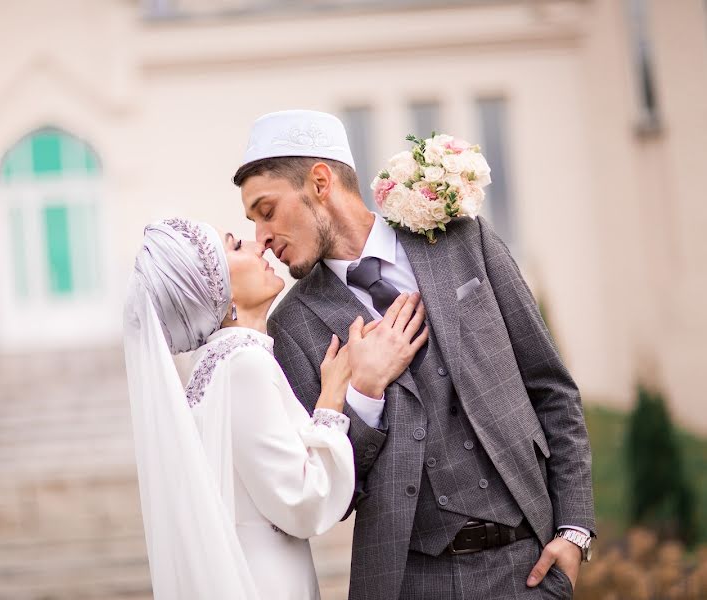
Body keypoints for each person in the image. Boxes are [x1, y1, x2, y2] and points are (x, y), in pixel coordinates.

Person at [233, 109, 595, 600]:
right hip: (411, 582)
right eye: (252, 221)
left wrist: (574, 530)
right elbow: (333, 496)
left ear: (320, 182)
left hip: (529, 564)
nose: (262, 237)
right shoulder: (291, 327)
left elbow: (551, 387)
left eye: (267, 210)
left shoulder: (464, 240)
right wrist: (363, 393)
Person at [123, 216, 428, 599]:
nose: (257, 246)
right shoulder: (243, 365)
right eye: (236, 247)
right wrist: (334, 396)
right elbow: (303, 501)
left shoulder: (218, 366)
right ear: (217, 291)